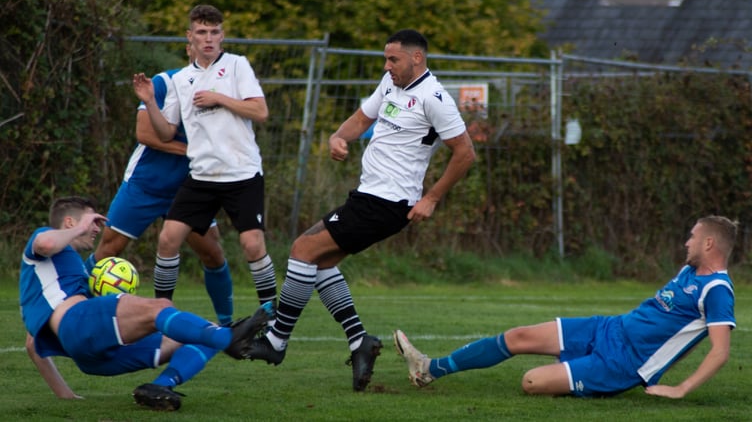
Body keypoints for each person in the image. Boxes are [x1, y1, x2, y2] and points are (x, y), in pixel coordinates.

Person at [246, 29, 476, 392]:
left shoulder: (435, 98)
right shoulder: (389, 83)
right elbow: (360, 120)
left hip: (387, 202)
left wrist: (431, 198)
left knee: (302, 250)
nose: (388, 66)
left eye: (394, 59)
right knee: (320, 262)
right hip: (370, 197)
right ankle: (359, 342)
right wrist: (338, 137)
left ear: (417, 58)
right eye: (386, 59)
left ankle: (276, 341)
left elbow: (465, 153)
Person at [394, 215, 737, 399]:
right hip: (609, 328)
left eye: (692, 237)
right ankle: (428, 369)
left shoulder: (718, 289)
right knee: (519, 336)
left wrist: (680, 389)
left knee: (531, 382)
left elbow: (720, 351)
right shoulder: (689, 270)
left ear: (709, 243)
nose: (686, 241)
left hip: (621, 364)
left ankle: (586, 377)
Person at [20, 196, 275, 410]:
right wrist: (79, 227)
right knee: (160, 307)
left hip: (92, 358)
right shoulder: (44, 237)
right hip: (78, 324)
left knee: (196, 333)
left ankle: (161, 386)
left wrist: (66, 396)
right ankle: (228, 339)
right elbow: (45, 243)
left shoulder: (53, 280)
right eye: (93, 221)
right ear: (69, 222)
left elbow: (33, 344)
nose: (97, 228)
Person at [132, 4, 276, 324]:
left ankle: (272, 319)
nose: (208, 38)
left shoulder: (237, 66)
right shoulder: (181, 79)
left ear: (222, 36)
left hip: (241, 172)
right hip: (202, 176)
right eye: (201, 32)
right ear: (190, 37)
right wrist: (150, 102)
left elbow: (260, 112)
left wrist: (219, 98)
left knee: (252, 244)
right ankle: (160, 316)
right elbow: (166, 131)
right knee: (168, 239)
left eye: (214, 32)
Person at [86, 45, 237, 325]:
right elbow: (144, 133)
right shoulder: (164, 83)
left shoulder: (224, 94)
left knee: (212, 252)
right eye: (199, 44)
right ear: (188, 48)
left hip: (190, 189)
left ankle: (229, 328)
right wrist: (191, 149)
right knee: (109, 250)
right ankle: (71, 309)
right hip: (146, 183)